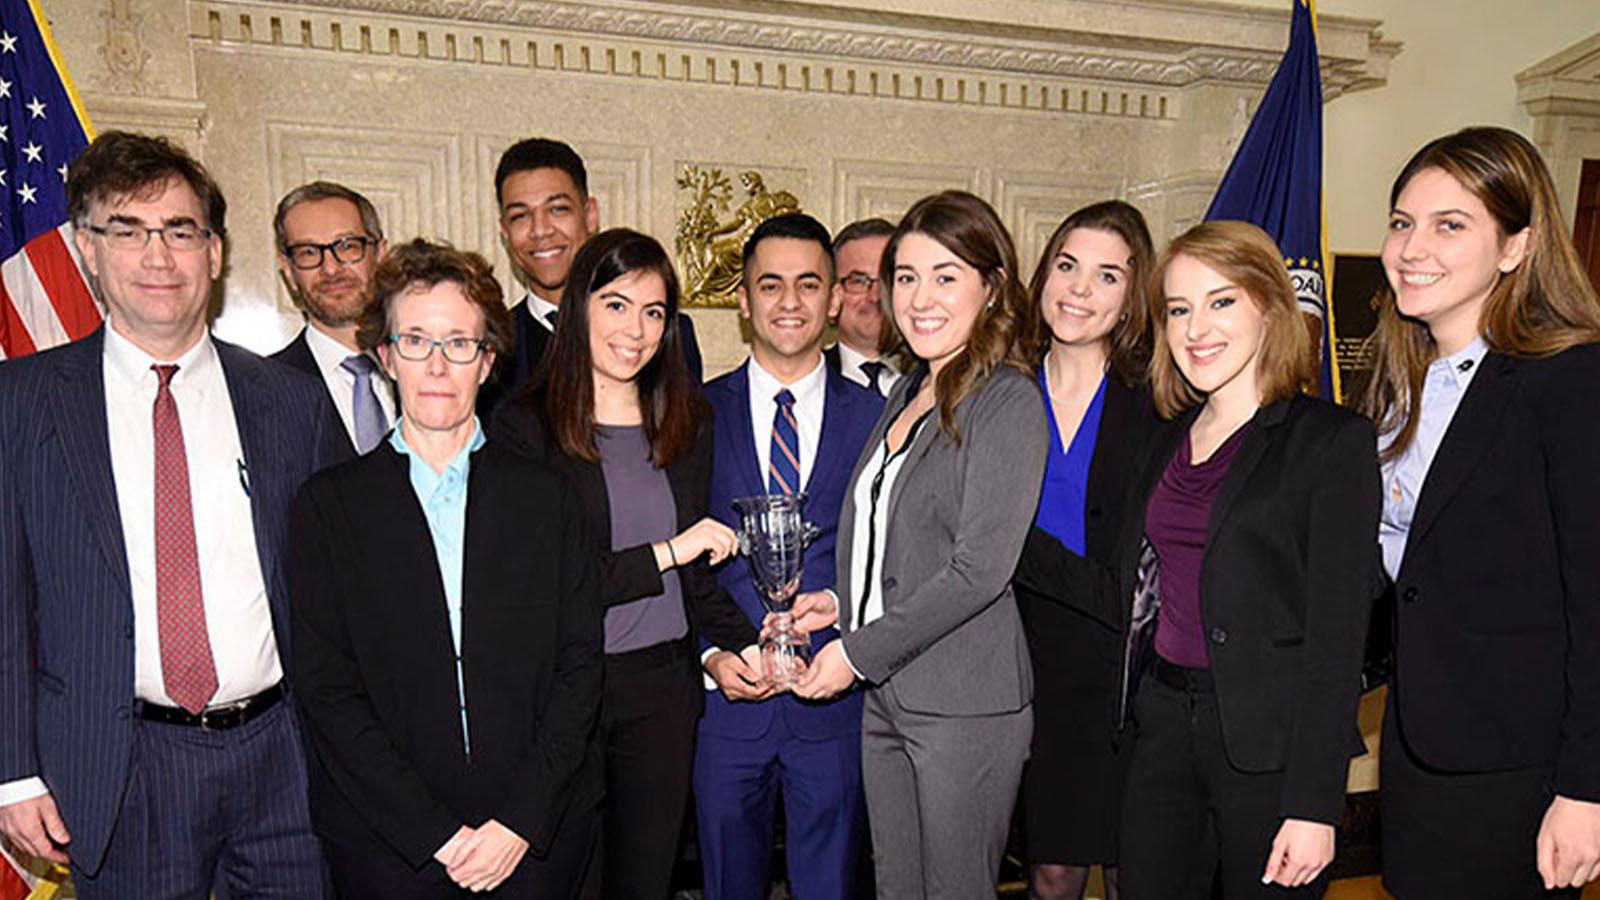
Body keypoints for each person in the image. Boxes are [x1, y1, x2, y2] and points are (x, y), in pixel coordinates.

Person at [0, 131, 344, 897]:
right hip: (121, 766)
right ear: (88, 249)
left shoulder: (291, 404)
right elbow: (5, 602)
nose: (159, 257)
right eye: (128, 230)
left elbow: (337, 594)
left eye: (181, 231)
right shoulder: (22, 404)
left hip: (286, 758)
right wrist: (12, 772)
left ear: (215, 253)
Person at [288, 238, 602, 898]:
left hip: (533, 837)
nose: (437, 364)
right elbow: (328, 690)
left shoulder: (549, 499)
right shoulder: (329, 505)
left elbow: (579, 670)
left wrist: (517, 821)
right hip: (388, 845)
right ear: (384, 356)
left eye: (459, 343)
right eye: (415, 341)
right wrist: (435, 832)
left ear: (487, 361)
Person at [1356, 126, 1600, 900]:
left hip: (1522, 768)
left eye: (1448, 224)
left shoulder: (1571, 380)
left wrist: (1587, 790)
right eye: (1402, 222)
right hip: (1420, 746)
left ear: (1516, 246)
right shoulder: (1400, 381)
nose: (1411, 247)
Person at [491, 228, 762, 899]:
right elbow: (551, 584)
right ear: (579, 305)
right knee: (564, 881)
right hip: (564, 695)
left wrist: (740, 647)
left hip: (664, 693)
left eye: (653, 311)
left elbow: (694, 577)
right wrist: (670, 551)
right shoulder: (524, 427)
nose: (635, 329)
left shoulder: (687, 420)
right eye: (616, 304)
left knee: (645, 881)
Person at [1111, 220, 1378, 899]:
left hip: (1271, 750)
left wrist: (1316, 803)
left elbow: (1337, 642)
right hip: (1162, 728)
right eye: (1179, 309)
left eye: (1222, 301)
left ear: (1270, 306)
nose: (1197, 327)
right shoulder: (1163, 437)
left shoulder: (1330, 443)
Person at [791, 190, 1047, 898]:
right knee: (898, 886)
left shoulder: (1007, 400)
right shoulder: (909, 388)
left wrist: (855, 652)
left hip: (967, 704)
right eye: (906, 276)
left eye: (946, 275)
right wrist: (841, 604)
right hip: (891, 694)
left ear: (992, 286)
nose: (920, 297)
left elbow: (977, 571)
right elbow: (900, 541)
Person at [695, 213, 881, 899]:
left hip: (834, 702)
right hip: (728, 705)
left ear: (834, 298)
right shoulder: (692, 414)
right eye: (770, 285)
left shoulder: (879, 418)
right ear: (742, 300)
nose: (790, 302)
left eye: (809, 284)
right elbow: (677, 556)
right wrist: (710, 656)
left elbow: (896, 554)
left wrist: (848, 620)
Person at [1011, 200, 1159, 900]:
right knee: (1053, 871)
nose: (1078, 290)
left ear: (1134, 296)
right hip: (1024, 668)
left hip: (1128, 676)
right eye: (1067, 266)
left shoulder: (1160, 404)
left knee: (1139, 868)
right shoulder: (998, 392)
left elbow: (1137, 578)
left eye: (1107, 276)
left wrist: (1005, 541)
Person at [480, 138, 703, 421]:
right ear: (505, 231)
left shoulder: (666, 335)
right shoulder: (493, 346)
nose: (540, 230)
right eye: (520, 216)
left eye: (557, 209)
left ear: (590, 215)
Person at [270, 180, 396, 454]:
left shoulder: (431, 366)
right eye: (308, 252)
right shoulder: (263, 394)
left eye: (348, 246)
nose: (331, 268)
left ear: (381, 255)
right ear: (289, 271)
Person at [825, 217, 901, 396]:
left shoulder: (941, 382)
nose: (875, 296)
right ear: (832, 295)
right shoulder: (805, 384)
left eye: (886, 281)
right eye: (858, 281)